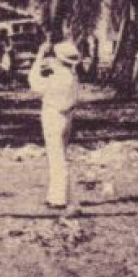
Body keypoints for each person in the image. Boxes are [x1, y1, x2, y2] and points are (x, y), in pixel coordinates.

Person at [28, 39, 84, 210]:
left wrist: (39, 57)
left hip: (54, 117)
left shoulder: (57, 78)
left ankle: (59, 199)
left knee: (56, 158)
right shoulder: (72, 77)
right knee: (60, 156)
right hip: (67, 118)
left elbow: (34, 83)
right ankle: (56, 195)